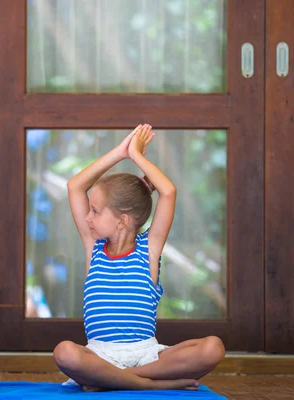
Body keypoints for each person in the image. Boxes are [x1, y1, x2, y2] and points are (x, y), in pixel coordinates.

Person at [53, 124, 225, 391]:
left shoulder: (149, 249)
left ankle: (117, 380)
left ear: (122, 221)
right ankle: (151, 385)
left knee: (213, 347)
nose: (88, 217)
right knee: (64, 351)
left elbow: (167, 191)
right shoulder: (94, 248)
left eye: (95, 211)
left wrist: (138, 155)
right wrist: (121, 152)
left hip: (146, 355)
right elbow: (75, 186)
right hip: (101, 356)